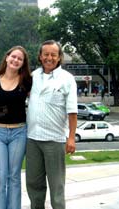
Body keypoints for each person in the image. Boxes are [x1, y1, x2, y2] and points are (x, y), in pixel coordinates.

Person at [26, 40, 78, 209]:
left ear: (59, 57)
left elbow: (72, 112)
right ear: (40, 56)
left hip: (54, 141)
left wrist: (71, 138)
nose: (49, 58)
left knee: (57, 186)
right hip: (32, 139)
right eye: (46, 54)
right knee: (34, 184)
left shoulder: (67, 79)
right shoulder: (32, 77)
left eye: (53, 54)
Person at [0, 46, 32, 209]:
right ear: (7, 57)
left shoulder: (27, 81)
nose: (16, 60)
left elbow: (36, 103)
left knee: (14, 177)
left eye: (20, 59)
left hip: (19, 133)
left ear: (23, 63)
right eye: (13, 56)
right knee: (0, 177)